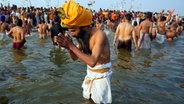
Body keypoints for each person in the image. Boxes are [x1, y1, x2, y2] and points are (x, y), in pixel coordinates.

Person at [56, 0, 112, 103]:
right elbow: (75, 58)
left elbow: (92, 61)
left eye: (73, 30)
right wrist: (68, 46)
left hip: (101, 77)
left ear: (84, 27)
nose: (72, 34)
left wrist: (71, 46)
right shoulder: (82, 36)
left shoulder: (99, 35)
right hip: (90, 74)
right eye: (70, 31)